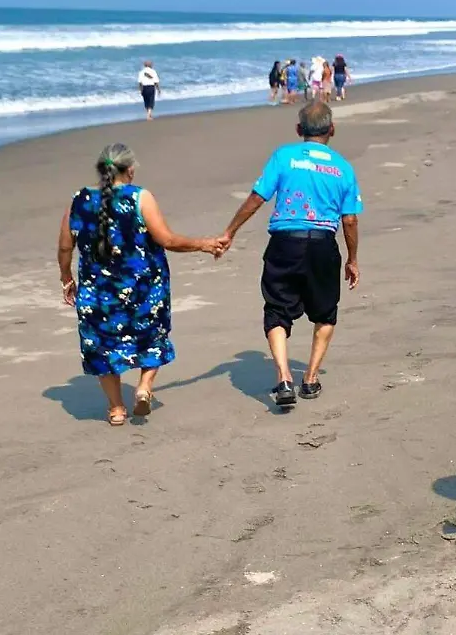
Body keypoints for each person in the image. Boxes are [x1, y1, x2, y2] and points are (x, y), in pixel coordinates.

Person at [57, 144, 223, 426]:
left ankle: (116, 409)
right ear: (130, 170)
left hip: (97, 292)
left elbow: (64, 247)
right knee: (151, 338)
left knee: (102, 347)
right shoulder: (140, 198)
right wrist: (205, 244)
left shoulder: (80, 199)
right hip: (144, 288)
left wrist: (66, 279)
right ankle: (144, 387)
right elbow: (167, 240)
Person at [216, 101, 362, 408]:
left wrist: (230, 231)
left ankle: (283, 377)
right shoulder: (343, 168)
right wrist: (352, 259)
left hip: (285, 243)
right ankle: (309, 378)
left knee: (277, 310)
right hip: (323, 244)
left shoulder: (284, 157)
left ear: (299, 130)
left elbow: (258, 198)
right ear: (331, 129)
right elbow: (349, 219)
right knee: (325, 312)